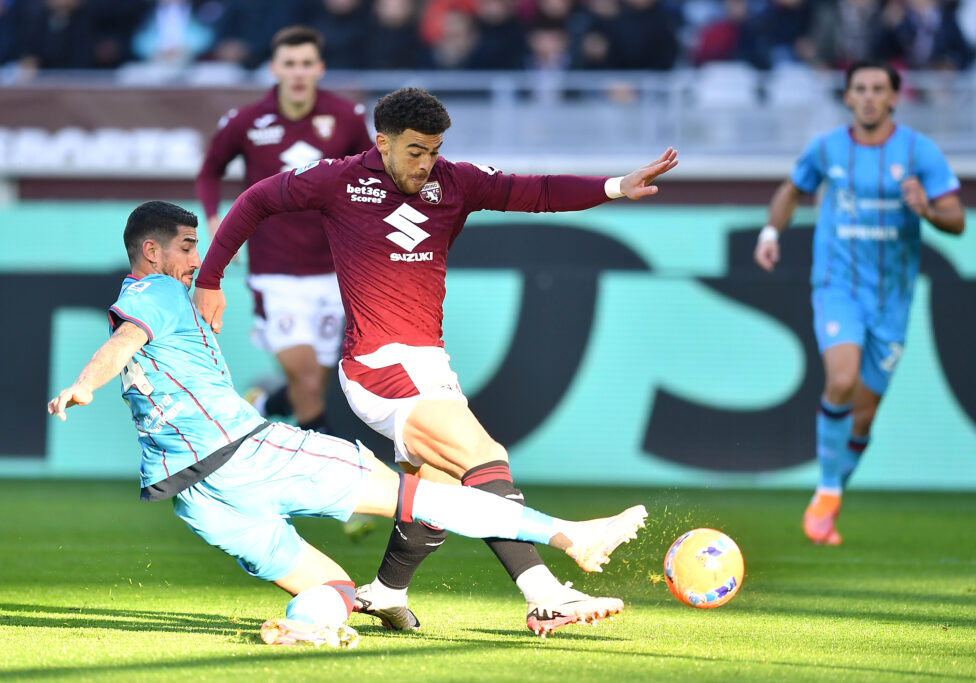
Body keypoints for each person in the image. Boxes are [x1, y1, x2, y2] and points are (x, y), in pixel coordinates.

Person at [47, 200, 649, 647]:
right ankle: (570, 536)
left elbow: (133, 344)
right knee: (423, 499)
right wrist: (84, 383)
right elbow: (125, 342)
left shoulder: (163, 300)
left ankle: (304, 629)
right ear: (151, 252)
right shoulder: (156, 293)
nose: (196, 259)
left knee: (334, 590)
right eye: (185, 246)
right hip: (250, 453)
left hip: (197, 496)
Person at [192, 87, 678, 636]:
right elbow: (256, 198)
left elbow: (536, 191)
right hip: (377, 363)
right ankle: (547, 591)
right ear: (383, 142)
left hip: (427, 361)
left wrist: (616, 186)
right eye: (416, 151)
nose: (427, 164)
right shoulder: (339, 179)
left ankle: (385, 592)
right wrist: (210, 278)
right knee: (483, 455)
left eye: (435, 150)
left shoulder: (456, 180)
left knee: (437, 492)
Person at [754, 61, 965, 546]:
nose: (868, 97)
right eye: (859, 89)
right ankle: (827, 491)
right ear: (847, 97)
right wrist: (770, 233)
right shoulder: (826, 148)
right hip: (837, 286)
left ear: (894, 98)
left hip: (892, 299)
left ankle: (831, 494)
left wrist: (927, 209)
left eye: (878, 89)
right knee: (842, 380)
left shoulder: (919, 151)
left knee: (864, 414)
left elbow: (957, 220)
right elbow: (792, 191)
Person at [196, 25, 372, 435]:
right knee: (308, 381)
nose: (297, 72)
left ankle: (263, 402)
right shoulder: (247, 121)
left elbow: (371, 175)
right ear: (274, 68)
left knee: (314, 385)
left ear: (320, 68)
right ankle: (331, 470)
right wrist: (213, 215)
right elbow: (209, 171)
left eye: (306, 64)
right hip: (274, 271)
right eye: (289, 64)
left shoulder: (346, 118)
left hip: (333, 271)